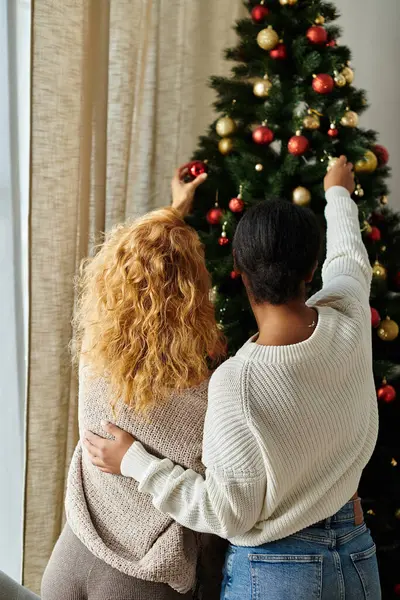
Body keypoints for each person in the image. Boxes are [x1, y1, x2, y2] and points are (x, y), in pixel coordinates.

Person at [85, 157, 381, 599]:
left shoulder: (238, 382)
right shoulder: (350, 313)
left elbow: (225, 513)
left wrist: (134, 461)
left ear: (238, 272)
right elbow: (349, 253)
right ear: (311, 268)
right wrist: (338, 192)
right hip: (357, 556)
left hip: (280, 572)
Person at [41, 167, 227, 600]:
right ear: (193, 296)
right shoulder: (206, 398)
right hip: (140, 581)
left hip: (68, 562)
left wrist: (174, 211)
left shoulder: (93, 355)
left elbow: (136, 260)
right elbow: (210, 509)